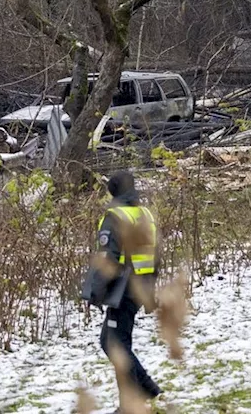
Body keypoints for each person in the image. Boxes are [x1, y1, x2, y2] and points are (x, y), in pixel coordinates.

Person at [81, 170, 161, 407]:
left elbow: (110, 258)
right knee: (109, 340)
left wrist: (94, 291)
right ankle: (146, 387)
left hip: (124, 289)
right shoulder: (144, 214)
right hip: (140, 287)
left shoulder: (115, 216)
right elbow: (155, 256)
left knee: (116, 344)